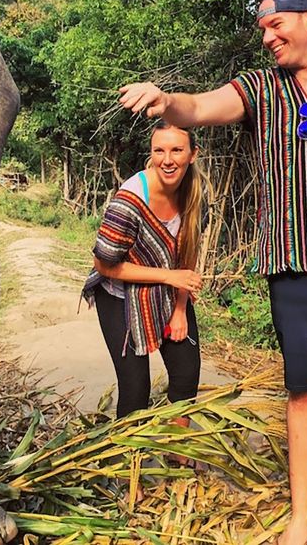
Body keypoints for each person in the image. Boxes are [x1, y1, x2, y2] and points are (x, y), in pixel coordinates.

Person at [119, 0, 307, 545]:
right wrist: (167, 102)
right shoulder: (262, 90)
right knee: (304, 394)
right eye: (262, 27)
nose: (267, 36)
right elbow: (199, 107)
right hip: (293, 272)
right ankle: (302, 521)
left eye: (275, 24)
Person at [82, 119, 205, 425]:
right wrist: (167, 276)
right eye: (159, 150)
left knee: (187, 375)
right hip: (118, 295)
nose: (167, 159)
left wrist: (179, 310)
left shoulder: (192, 189)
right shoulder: (131, 199)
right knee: (136, 388)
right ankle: (127, 462)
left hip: (167, 292)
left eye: (177, 150)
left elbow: (186, 253)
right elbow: (103, 263)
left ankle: (178, 452)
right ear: (150, 153)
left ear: (193, 154)